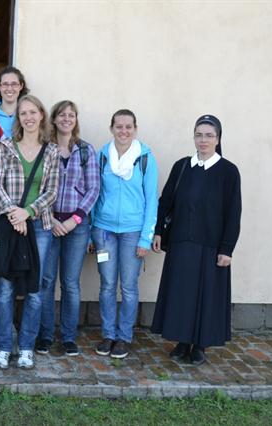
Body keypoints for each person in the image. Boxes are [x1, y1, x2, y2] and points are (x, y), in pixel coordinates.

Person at [151, 114, 241, 366]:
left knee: (206, 296)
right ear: (194, 136)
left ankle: (200, 346)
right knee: (182, 294)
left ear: (218, 139)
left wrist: (227, 248)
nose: (203, 140)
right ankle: (182, 341)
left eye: (209, 135)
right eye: (199, 134)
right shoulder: (182, 166)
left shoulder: (228, 171)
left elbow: (233, 213)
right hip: (181, 242)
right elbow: (165, 202)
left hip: (211, 246)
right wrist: (158, 231)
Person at [0, 95, 59, 370]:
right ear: (17, 118)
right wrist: (13, 213)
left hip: (39, 227)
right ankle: (4, 347)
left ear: (41, 115)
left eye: (33, 112)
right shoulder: (5, 146)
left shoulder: (51, 151)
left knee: (35, 289)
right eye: (23, 114)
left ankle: (27, 347)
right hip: (9, 225)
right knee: (5, 288)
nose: (28, 117)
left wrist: (27, 212)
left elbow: (52, 191)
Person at [91, 109, 158, 360]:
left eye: (128, 127)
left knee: (128, 287)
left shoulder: (145, 157)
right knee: (107, 285)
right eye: (119, 126)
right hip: (104, 231)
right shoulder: (102, 156)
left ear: (135, 129)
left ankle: (124, 337)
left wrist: (145, 238)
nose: (123, 131)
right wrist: (91, 233)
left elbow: (151, 201)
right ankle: (108, 334)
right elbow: (95, 195)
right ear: (112, 128)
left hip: (132, 232)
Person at [36, 100, 100, 356]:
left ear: (76, 120)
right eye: (61, 115)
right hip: (48, 222)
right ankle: (46, 335)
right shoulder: (44, 149)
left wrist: (74, 219)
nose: (66, 119)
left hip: (77, 225)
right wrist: (51, 219)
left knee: (71, 283)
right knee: (46, 281)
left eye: (71, 115)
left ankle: (69, 337)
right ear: (53, 119)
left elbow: (93, 188)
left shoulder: (85, 150)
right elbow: (38, 187)